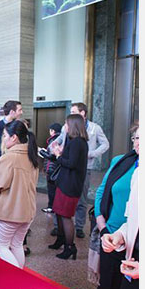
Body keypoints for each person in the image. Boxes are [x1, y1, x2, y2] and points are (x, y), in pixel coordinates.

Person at [93, 123, 139, 289]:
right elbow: (101, 193)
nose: (139, 143)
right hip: (114, 234)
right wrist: (103, 228)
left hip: (137, 244)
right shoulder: (122, 162)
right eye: (136, 138)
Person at [52, 102, 109, 237]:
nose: (71, 114)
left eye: (73, 111)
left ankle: (79, 226)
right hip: (66, 167)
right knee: (61, 203)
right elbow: (59, 140)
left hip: (83, 167)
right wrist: (53, 147)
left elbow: (105, 144)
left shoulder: (94, 128)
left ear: (82, 113)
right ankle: (58, 228)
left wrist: (91, 154)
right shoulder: (69, 128)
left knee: (81, 200)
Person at [0, 120, 39, 268]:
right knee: (16, 245)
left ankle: (16, 277)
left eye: (5, 136)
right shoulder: (31, 156)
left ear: (14, 137)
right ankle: (20, 276)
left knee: (1, 246)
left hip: (11, 211)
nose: (3, 139)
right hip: (28, 210)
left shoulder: (10, 157)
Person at [101, 163, 138, 289]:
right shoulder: (138, 174)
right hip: (132, 265)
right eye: (136, 137)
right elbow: (133, 220)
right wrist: (120, 236)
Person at [48, 114, 88, 260]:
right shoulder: (73, 140)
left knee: (65, 216)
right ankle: (60, 239)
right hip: (65, 182)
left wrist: (58, 155)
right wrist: (53, 155)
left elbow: (71, 163)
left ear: (73, 125)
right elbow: (66, 159)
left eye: (66, 123)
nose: (64, 126)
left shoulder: (78, 142)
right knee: (58, 212)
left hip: (71, 185)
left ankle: (70, 247)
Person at [42, 122, 63, 214]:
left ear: (52, 131)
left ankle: (51, 207)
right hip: (56, 167)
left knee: (51, 189)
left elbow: (52, 156)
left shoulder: (54, 140)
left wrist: (42, 152)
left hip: (52, 168)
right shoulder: (61, 139)